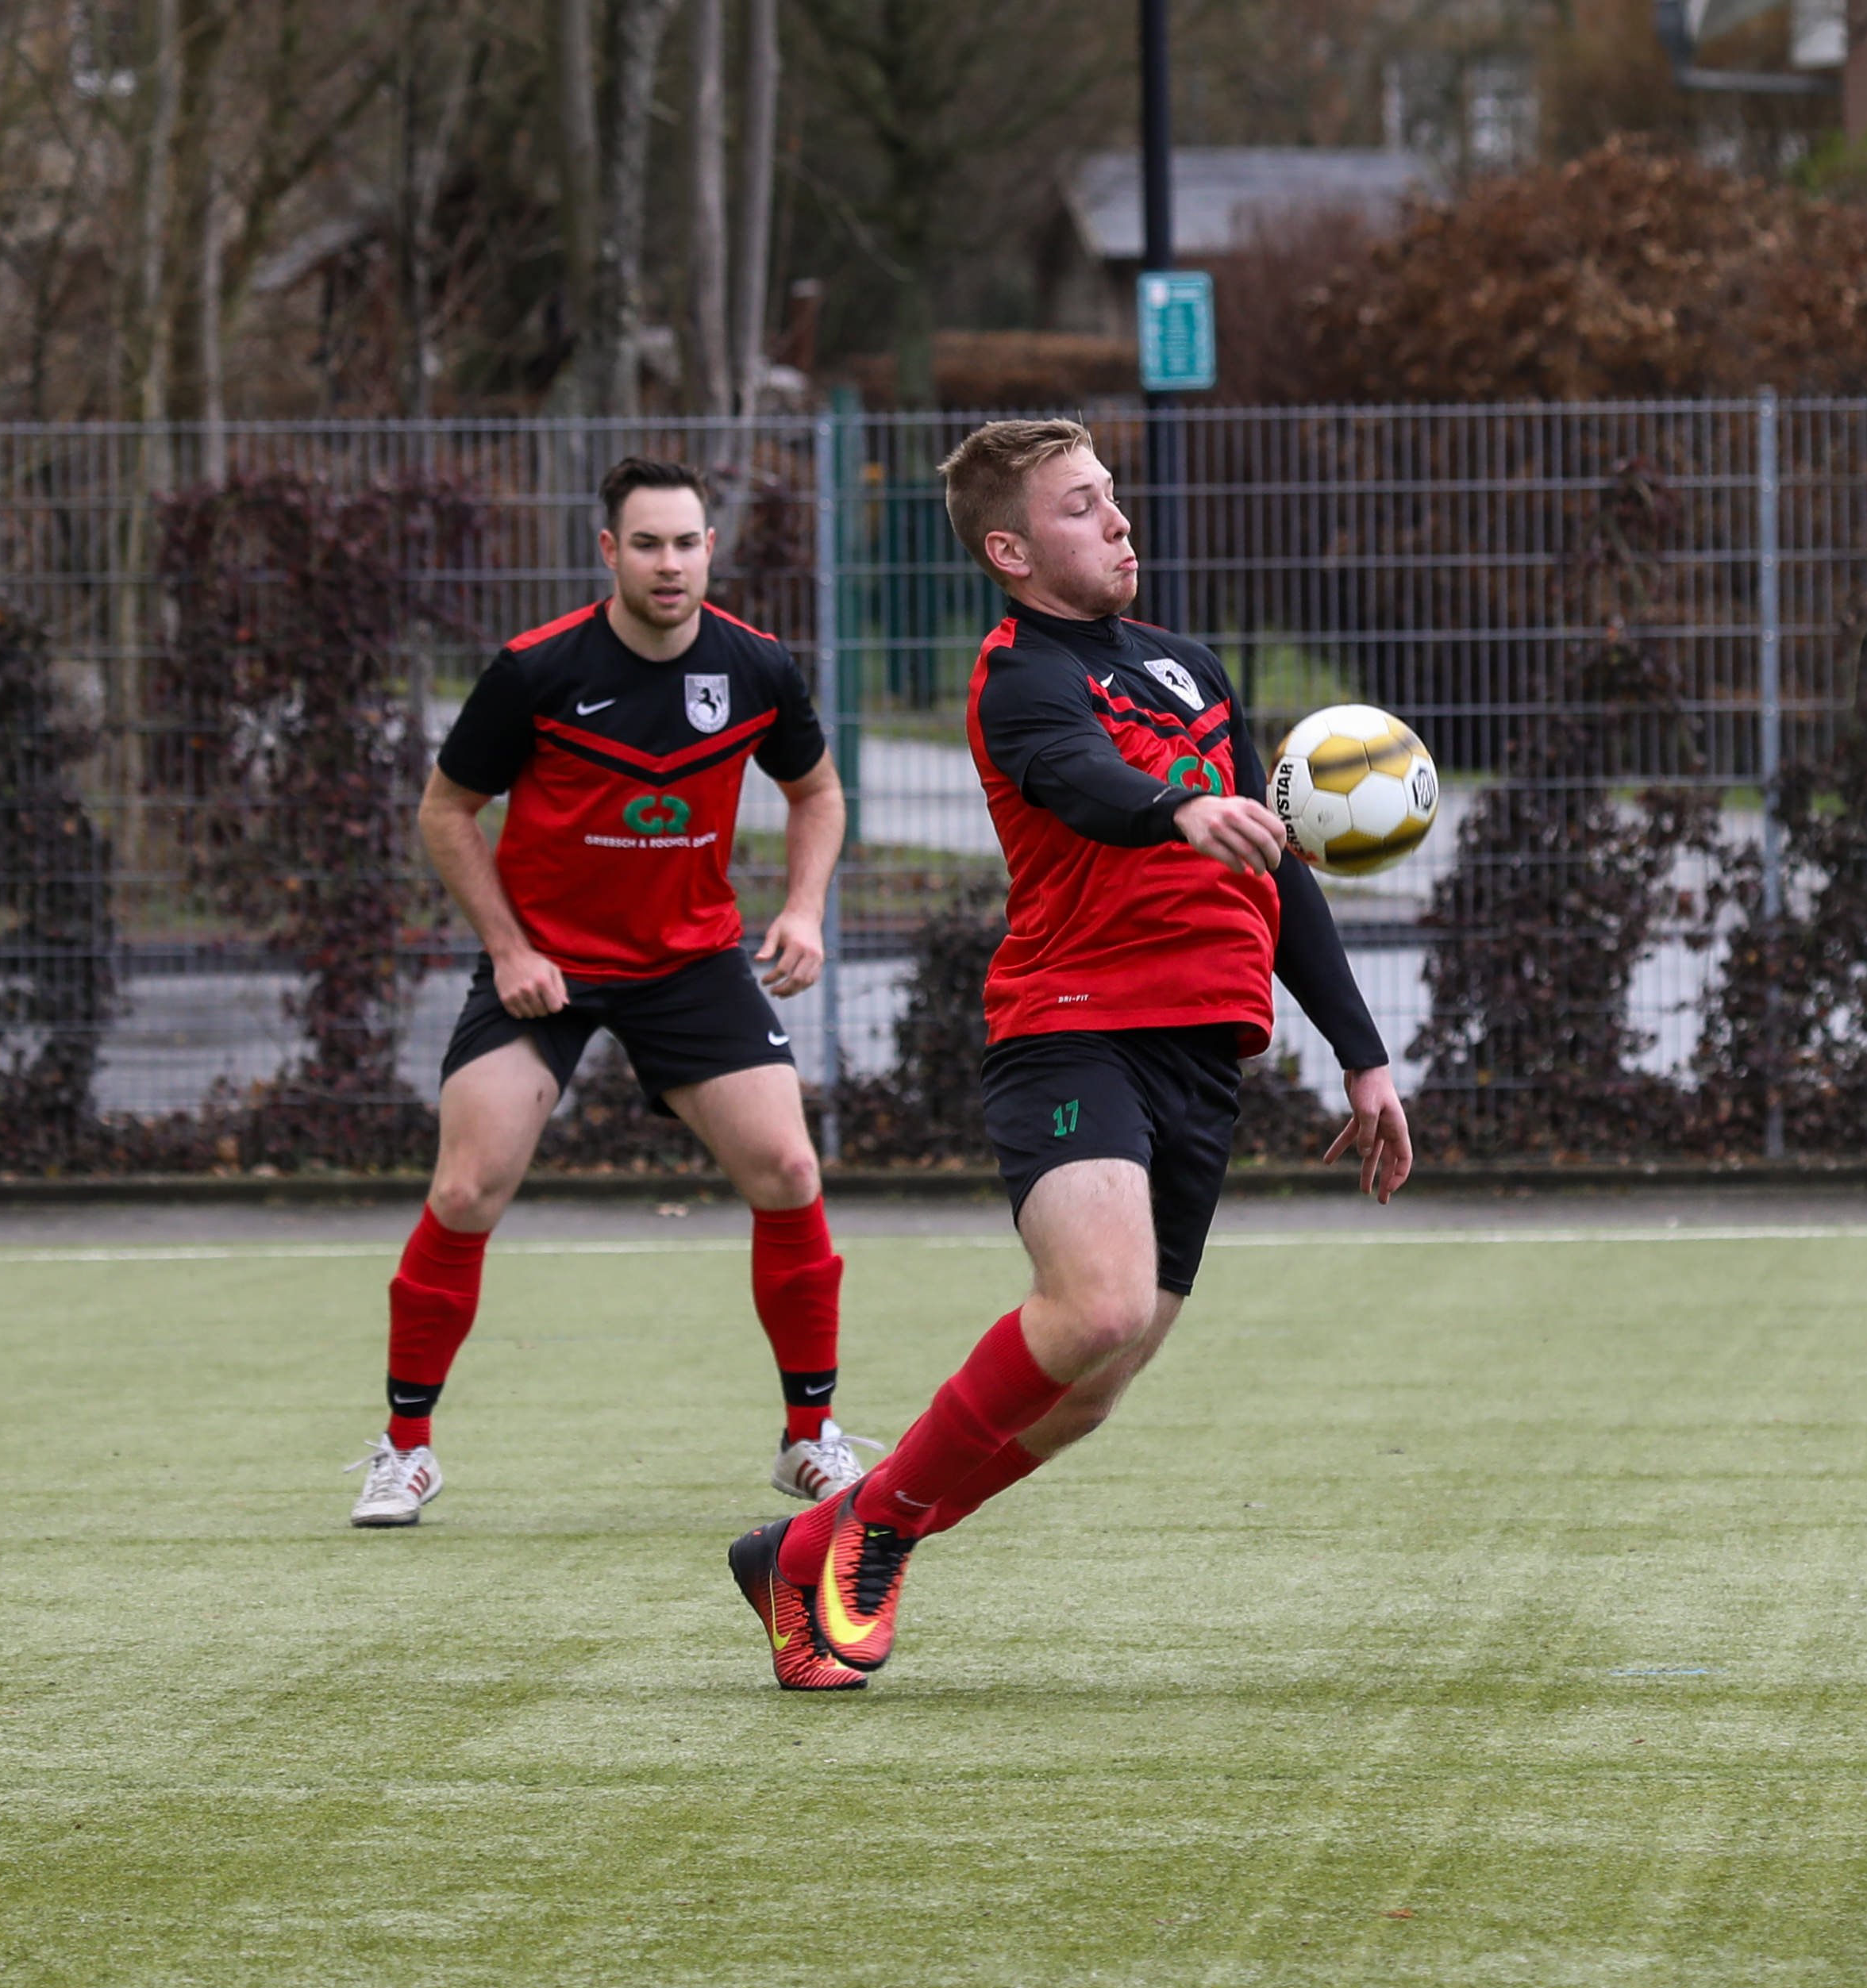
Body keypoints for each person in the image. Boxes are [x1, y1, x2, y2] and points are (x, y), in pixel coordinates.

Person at [729, 417, 1410, 1693]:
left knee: (1090, 1390)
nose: (1118, 520)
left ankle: (806, 1549)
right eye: (1082, 506)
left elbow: (1282, 877)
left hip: (1203, 1060)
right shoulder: (1018, 676)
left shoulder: (1190, 667)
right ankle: (880, 1529)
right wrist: (1178, 804)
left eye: (1112, 496)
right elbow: (1079, 778)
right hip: (1073, 1027)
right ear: (1011, 550)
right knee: (1095, 1304)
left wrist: (1362, 1056)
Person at [352, 456, 855, 1529]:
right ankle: (404, 1450)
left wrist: (805, 909)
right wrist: (508, 949)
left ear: (710, 549)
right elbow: (446, 811)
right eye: (647, 544)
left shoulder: (757, 666)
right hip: (548, 965)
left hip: (691, 962)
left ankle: (809, 1437)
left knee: (787, 1168)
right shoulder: (535, 671)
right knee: (467, 1188)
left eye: (686, 543)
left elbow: (815, 792)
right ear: (609, 553)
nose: (669, 564)